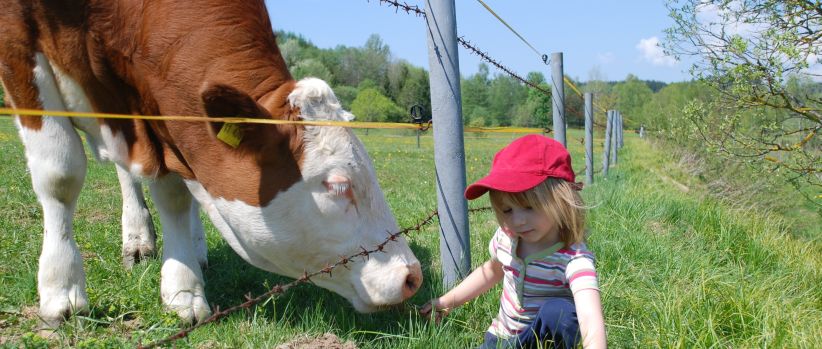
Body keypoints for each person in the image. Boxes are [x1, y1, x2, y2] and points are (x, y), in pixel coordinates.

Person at [419, 135, 606, 349]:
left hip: (540, 341)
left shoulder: (573, 259)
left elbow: (589, 317)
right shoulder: (507, 238)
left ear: (562, 199)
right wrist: (446, 302)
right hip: (500, 339)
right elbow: (491, 272)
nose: (517, 221)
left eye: (529, 206)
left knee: (561, 312)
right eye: (507, 210)